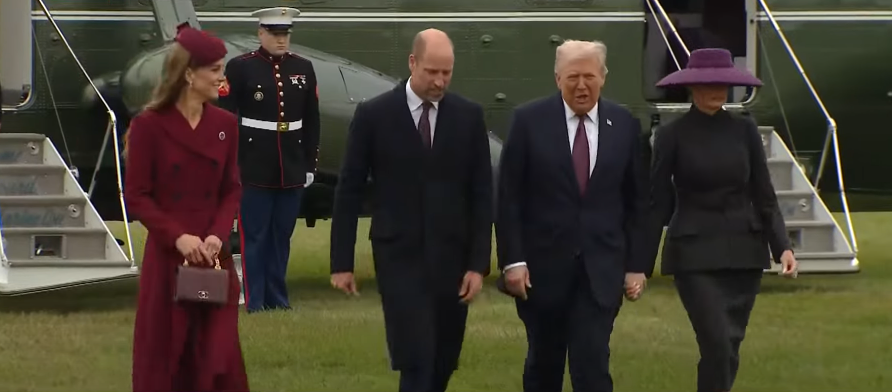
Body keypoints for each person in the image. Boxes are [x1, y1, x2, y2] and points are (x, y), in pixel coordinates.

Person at [329, 29, 492, 392]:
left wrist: (478, 264)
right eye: (431, 71)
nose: (439, 81)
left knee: (443, 361)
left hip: (452, 257)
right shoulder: (374, 115)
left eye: (446, 73)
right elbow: (349, 188)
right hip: (399, 256)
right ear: (412, 63)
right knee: (415, 356)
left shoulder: (468, 117)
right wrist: (342, 262)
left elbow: (482, 193)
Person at [636, 47, 799, 392]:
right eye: (708, 84)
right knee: (717, 342)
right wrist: (640, 265)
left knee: (730, 347)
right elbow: (657, 202)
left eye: (723, 84)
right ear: (692, 87)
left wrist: (782, 247)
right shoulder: (671, 135)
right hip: (694, 254)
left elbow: (764, 194)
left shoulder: (745, 132)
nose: (717, 91)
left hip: (744, 253)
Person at [495, 39, 648, 392]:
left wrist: (636, 264)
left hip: (601, 270)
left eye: (590, 77)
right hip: (542, 271)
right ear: (557, 78)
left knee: (592, 364)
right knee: (543, 364)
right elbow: (509, 198)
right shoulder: (528, 121)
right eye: (573, 77)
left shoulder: (623, 124)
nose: (582, 85)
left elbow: (637, 201)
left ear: (604, 77)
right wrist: (512, 261)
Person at [124, 25, 248, 392]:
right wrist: (178, 238)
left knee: (217, 354)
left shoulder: (225, 125)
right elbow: (137, 195)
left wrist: (216, 234)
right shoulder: (148, 126)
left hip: (212, 257)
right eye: (215, 69)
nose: (221, 78)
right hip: (169, 258)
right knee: (167, 354)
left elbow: (232, 189)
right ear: (189, 74)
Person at [217, 7, 321, 313]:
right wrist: (231, 162)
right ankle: (255, 298)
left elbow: (311, 120)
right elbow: (225, 118)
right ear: (261, 33)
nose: (281, 40)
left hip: (290, 164)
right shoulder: (241, 67)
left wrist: (309, 164)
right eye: (275, 34)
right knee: (255, 236)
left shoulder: (303, 67)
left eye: (285, 34)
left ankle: (278, 297)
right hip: (254, 163)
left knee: (282, 235)